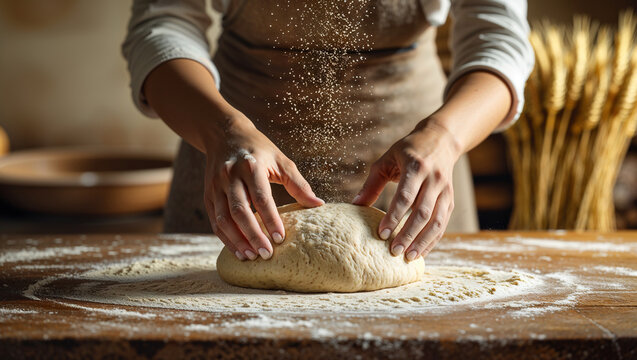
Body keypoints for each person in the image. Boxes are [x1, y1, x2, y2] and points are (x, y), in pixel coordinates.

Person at [123, 0, 533, 262]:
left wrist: (445, 136)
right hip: (232, 157)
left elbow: (498, 35)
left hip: (412, 157)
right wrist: (221, 130)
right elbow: (163, 23)